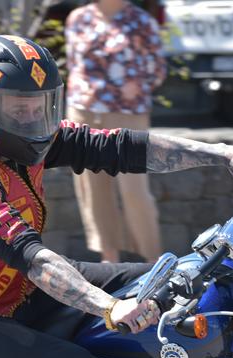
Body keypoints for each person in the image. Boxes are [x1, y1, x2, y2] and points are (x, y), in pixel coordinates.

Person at [0, 35, 233, 358]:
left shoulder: (21, 135)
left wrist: (223, 153)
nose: (33, 119)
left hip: (18, 289)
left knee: (174, 275)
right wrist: (111, 307)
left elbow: (117, 147)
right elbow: (30, 256)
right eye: (18, 107)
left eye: (41, 105)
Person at [65, 0, 168, 263]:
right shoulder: (78, 18)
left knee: (134, 191)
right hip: (83, 113)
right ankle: (108, 261)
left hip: (127, 114)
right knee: (93, 190)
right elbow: (73, 64)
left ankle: (151, 262)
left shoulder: (142, 21)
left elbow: (158, 70)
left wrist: (137, 84)